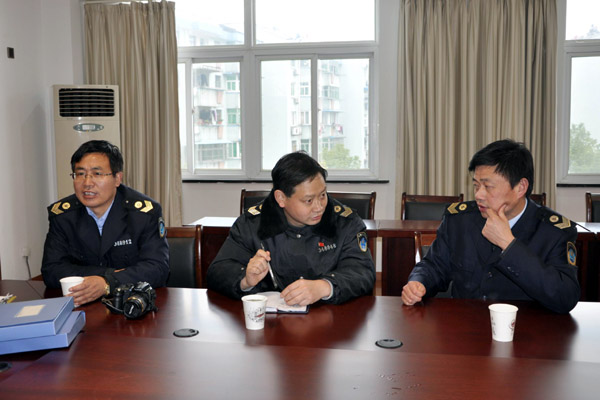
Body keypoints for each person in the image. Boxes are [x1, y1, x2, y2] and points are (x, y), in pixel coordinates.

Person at [401, 139, 580, 314]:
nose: (478, 195)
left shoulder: (554, 232)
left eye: (488, 186)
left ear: (520, 187)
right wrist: (419, 282)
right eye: (476, 185)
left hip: (525, 329)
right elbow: (434, 265)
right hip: (464, 325)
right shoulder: (459, 221)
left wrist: (509, 245)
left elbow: (565, 297)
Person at [207, 151, 375, 306]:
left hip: (330, 317)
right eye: (308, 200)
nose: (319, 207)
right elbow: (218, 271)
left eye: (323, 195)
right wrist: (245, 280)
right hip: (271, 322)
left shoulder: (345, 222)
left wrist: (325, 287)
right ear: (281, 198)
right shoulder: (252, 224)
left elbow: (363, 271)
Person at [42, 140, 169, 306]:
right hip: (82, 305)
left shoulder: (144, 214)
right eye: (80, 174)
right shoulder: (63, 216)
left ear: (117, 178)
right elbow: (51, 270)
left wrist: (108, 283)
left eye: (97, 174)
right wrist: (106, 276)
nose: (87, 183)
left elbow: (157, 268)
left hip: (132, 305)